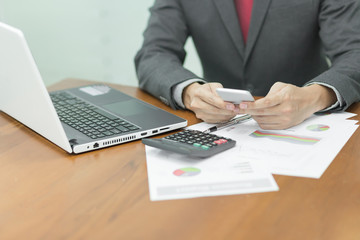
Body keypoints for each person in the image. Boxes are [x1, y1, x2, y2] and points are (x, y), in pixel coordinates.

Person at [135, 0, 360, 130]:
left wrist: (314, 97)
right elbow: (154, 53)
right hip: (219, 129)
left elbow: (354, 52)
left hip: (308, 125)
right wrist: (190, 92)